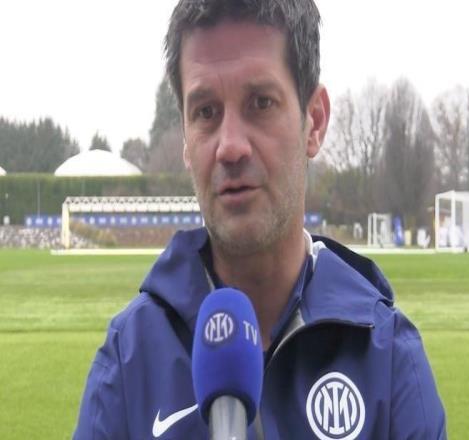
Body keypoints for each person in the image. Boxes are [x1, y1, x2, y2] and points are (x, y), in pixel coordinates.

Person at [74, 1, 447, 438]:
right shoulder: (129, 360)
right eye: (206, 112)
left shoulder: (388, 357)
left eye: (261, 103)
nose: (230, 146)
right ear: (186, 139)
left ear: (314, 122)